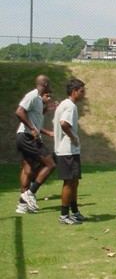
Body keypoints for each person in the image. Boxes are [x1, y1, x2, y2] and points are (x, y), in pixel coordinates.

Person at [15, 74, 56, 214]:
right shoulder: (32, 95)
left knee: (29, 168)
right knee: (50, 164)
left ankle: (22, 206)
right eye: (48, 84)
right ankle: (29, 194)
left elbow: (35, 115)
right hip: (27, 137)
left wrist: (47, 109)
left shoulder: (38, 99)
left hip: (27, 136)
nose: (49, 87)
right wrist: (32, 129)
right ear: (44, 84)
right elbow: (19, 112)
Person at [53, 79, 87, 225]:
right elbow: (63, 124)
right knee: (68, 183)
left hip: (68, 150)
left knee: (74, 181)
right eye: (82, 91)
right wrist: (73, 138)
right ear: (75, 91)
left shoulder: (64, 104)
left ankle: (75, 212)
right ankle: (64, 215)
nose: (83, 95)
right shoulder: (70, 106)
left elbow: (55, 122)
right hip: (67, 151)